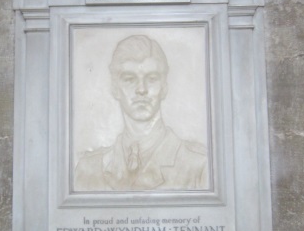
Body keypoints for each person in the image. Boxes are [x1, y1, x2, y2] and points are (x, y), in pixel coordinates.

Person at [74, 35, 209, 191]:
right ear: (115, 89)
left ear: (164, 88)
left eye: (151, 78)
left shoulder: (199, 166)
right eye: (129, 79)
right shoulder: (88, 170)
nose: (141, 89)